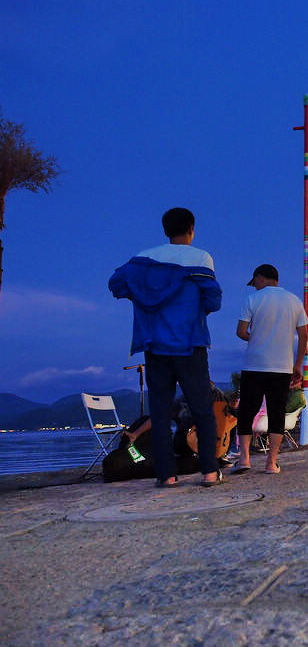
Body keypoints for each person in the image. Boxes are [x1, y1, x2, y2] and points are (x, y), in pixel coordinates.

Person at [109, 207, 223, 488]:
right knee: (201, 409)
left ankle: (166, 475)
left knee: (159, 412)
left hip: (154, 345)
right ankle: (209, 471)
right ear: (191, 228)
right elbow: (213, 300)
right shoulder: (200, 258)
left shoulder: (142, 260)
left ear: (165, 230)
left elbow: (116, 284)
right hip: (189, 343)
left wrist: (143, 299)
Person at [233, 264, 308, 475]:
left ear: (260, 278)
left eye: (255, 281)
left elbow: (240, 331)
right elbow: (303, 335)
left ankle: (245, 459)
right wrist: (298, 364)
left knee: (247, 411)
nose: (254, 286)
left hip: (254, 364)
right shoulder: (294, 301)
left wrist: (257, 338)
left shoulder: (252, 300)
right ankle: (271, 462)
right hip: (282, 367)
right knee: (277, 413)